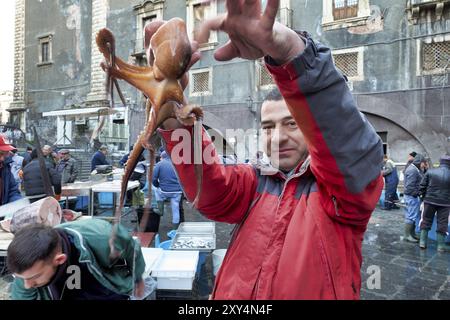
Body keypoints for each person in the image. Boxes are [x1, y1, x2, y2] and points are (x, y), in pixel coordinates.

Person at [152, 0, 384, 299]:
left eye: (291, 124)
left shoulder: (342, 197)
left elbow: (352, 154)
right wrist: (174, 112)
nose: (277, 138)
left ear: (312, 126)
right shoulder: (255, 180)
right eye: (268, 127)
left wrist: (292, 55)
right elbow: (210, 192)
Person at [7, 219, 145, 300]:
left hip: (103, 287)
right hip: (68, 290)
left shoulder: (105, 238)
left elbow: (133, 251)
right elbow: (22, 295)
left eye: (35, 277)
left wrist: (138, 278)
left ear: (60, 259)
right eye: (22, 278)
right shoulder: (27, 269)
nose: (27, 285)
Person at [418, 155, 450, 252]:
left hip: (429, 200)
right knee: (442, 223)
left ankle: (422, 242)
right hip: (445, 203)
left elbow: (422, 186)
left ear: (440, 162)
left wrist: (423, 197)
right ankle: (440, 246)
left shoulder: (431, 171)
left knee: (426, 220)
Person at [152, 151, 184, 229]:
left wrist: (157, 185)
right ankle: (175, 230)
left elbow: (154, 179)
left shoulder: (159, 164)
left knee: (155, 188)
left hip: (164, 191)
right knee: (175, 210)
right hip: (178, 191)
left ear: (162, 157)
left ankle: (160, 210)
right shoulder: (179, 164)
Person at [403, 153, 428, 243]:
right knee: (411, 216)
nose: (423, 165)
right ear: (419, 162)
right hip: (411, 197)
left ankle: (411, 234)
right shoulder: (413, 170)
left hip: (411, 196)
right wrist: (418, 193)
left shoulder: (415, 169)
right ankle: (407, 235)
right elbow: (410, 187)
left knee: (411, 216)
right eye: (423, 163)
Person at [0, 136, 22, 205]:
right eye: (0, 154)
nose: (2, 159)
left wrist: (17, 204)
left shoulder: (5, 167)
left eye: (5, 153)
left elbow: (13, 190)